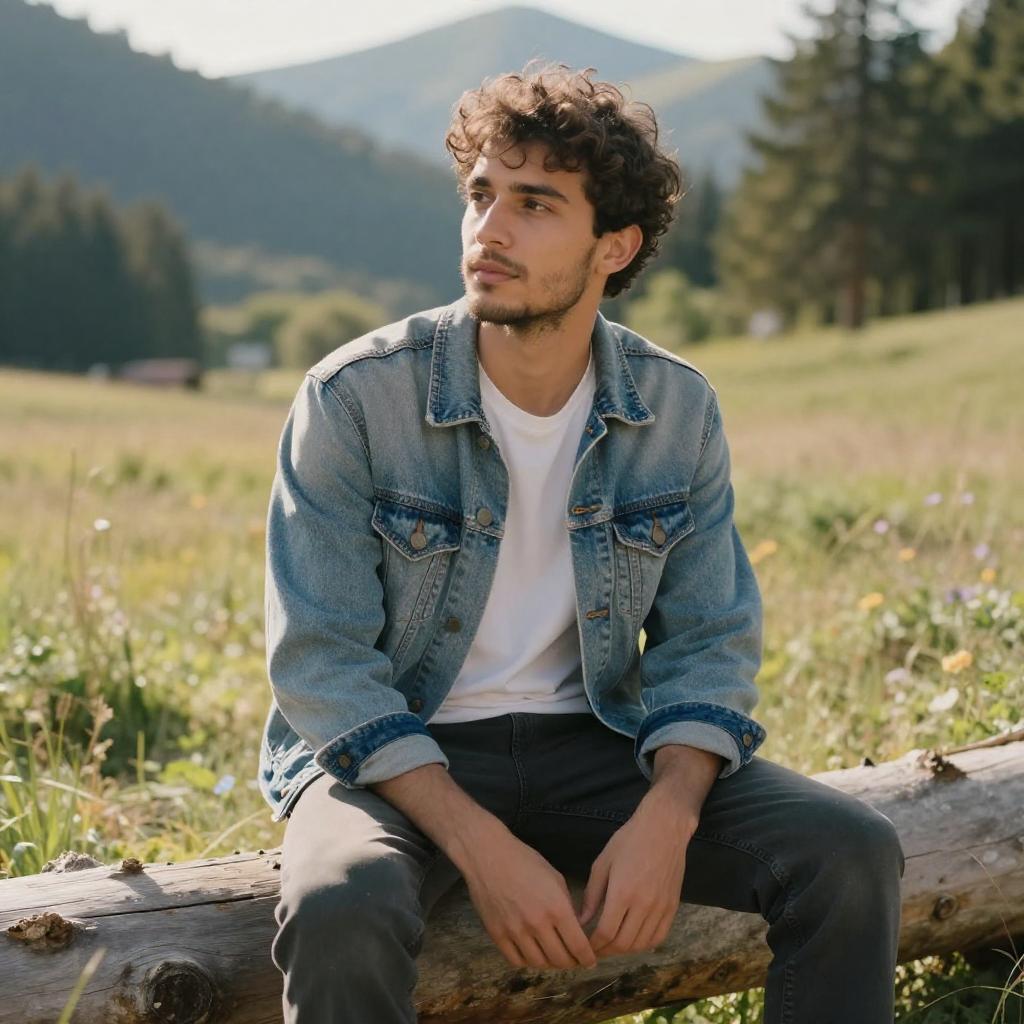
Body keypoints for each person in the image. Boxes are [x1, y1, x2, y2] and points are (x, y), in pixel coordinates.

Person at [258, 63, 905, 1023]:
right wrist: (482, 847)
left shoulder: (674, 407)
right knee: (339, 900)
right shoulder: (355, 397)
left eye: (534, 204)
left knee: (851, 852)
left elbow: (710, 637)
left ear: (615, 245)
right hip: (396, 755)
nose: (490, 229)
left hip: (595, 743)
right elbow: (323, 666)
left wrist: (670, 814)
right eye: (481, 195)